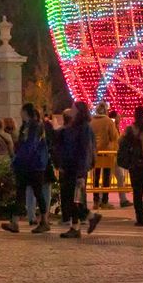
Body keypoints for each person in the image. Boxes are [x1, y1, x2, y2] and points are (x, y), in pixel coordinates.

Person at [1, 114, 51, 234]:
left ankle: (43, 221)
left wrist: (17, 162)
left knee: (35, 192)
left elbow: (28, 148)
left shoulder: (33, 128)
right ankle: (16, 221)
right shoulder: (31, 127)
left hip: (33, 166)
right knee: (23, 192)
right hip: (31, 165)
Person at [59, 102, 102, 238]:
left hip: (76, 168)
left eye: (73, 108)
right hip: (71, 166)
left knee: (73, 199)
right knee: (72, 199)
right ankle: (76, 225)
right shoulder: (75, 126)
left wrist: (81, 172)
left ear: (79, 111)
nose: (71, 110)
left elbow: (85, 150)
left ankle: (89, 217)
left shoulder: (84, 128)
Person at [90, 102, 119, 208]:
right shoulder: (108, 121)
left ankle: (95, 200)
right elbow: (114, 136)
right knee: (106, 176)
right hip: (107, 152)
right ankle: (105, 201)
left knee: (96, 177)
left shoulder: (91, 121)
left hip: (95, 153)